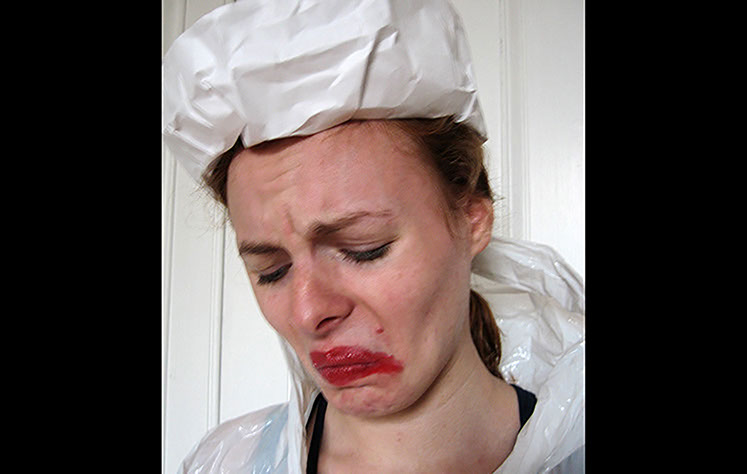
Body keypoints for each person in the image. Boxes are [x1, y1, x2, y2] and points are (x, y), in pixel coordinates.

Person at [162, 1, 584, 472]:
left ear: (471, 220)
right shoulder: (227, 463)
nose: (307, 313)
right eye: (272, 271)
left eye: (364, 249)